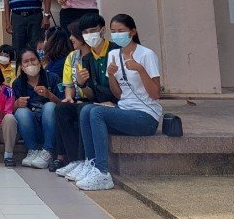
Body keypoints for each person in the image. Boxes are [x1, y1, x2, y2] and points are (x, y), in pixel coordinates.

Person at [74, 13, 163, 192]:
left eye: (121, 31)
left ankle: (102, 172)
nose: (116, 35)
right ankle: (91, 163)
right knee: (86, 110)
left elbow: (155, 94)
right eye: (114, 32)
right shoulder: (114, 54)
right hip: (124, 109)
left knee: (97, 112)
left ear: (132, 32)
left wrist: (140, 70)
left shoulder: (146, 55)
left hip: (146, 117)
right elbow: (118, 93)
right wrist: (112, 75)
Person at [55, 15, 114, 177]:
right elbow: (70, 85)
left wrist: (84, 87)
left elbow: (97, 90)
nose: (71, 38)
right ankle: (75, 160)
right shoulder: (75, 57)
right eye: (85, 32)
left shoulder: (109, 52)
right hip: (84, 98)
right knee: (61, 109)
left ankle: (87, 160)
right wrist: (71, 95)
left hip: (101, 100)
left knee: (84, 109)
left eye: (74, 35)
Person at [11, 46, 59, 169]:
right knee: (21, 112)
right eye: (26, 61)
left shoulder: (52, 78)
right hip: (31, 128)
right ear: (21, 66)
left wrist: (49, 95)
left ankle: (48, 151)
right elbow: (10, 110)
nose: (30, 64)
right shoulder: (17, 84)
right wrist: (17, 104)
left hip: (52, 127)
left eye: (33, 60)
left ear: (40, 61)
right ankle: (33, 150)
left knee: (50, 106)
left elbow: (64, 104)